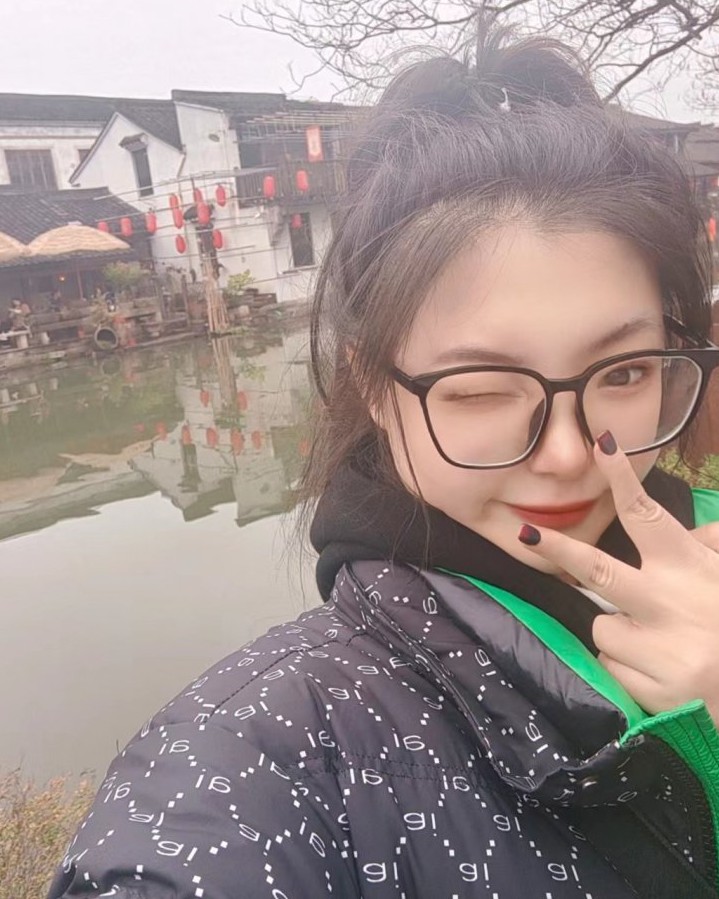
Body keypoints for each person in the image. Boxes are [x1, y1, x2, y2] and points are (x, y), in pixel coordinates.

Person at [48, 31, 719, 899]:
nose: (565, 456)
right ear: (373, 386)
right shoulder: (272, 758)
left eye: (623, 373)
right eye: (479, 389)